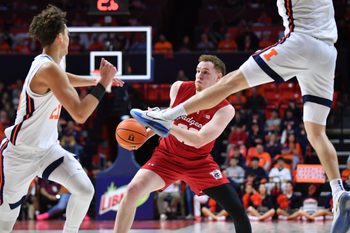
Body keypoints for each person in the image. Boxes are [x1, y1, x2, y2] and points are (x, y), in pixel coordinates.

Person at [131, 1, 349, 232]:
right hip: (328, 53)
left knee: (229, 82)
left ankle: (167, 116)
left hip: (302, 42)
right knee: (316, 131)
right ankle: (338, 192)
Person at [0, 5, 123, 233]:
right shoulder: (46, 67)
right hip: (19, 154)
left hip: (48, 150)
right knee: (6, 220)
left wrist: (94, 80)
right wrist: (102, 84)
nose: (69, 38)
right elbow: (80, 114)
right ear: (59, 37)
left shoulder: (54, 64)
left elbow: (63, 78)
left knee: (85, 190)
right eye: (67, 34)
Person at [117, 55, 251, 233]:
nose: (199, 75)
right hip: (166, 157)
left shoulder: (225, 109)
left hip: (199, 163)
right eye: (197, 71)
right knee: (132, 190)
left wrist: (166, 124)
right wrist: (145, 135)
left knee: (237, 209)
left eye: (205, 72)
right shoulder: (179, 87)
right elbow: (164, 122)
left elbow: (199, 140)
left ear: (219, 78)